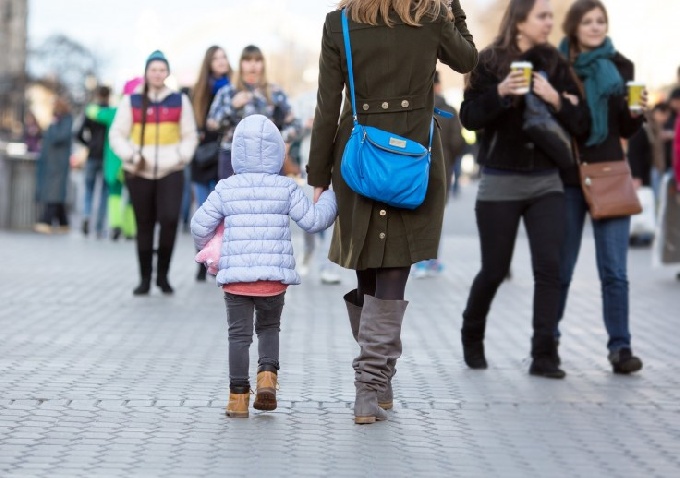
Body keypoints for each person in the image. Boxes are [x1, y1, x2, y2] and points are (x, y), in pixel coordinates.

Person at [307, 0, 478, 424]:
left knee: (368, 265)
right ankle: (372, 384)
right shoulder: (431, 16)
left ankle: (374, 382)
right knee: (393, 269)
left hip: (358, 156)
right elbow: (467, 58)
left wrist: (318, 174)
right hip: (412, 157)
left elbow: (327, 105)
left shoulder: (339, 23)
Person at [459, 0, 590, 379]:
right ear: (520, 20)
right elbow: (469, 117)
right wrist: (501, 92)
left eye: (551, 16)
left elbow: (581, 123)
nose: (551, 22)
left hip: (547, 180)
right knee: (495, 270)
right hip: (500, 179)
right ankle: (472, 330)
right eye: (543, 16)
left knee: (549, 268)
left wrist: (553, 99)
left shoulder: (554, 62)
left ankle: (544, 355)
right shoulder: (489, 61)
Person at [191, 114, 337, 418]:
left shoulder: (226, 188)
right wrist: (331, 197)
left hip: (236, 280)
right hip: (273, 277)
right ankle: (267, 377)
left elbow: (198, 225)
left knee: (238, 336)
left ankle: (238, 399)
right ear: (276, 150)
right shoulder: (286, 188)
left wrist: (207, 248)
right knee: (269, 328)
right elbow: (313, 222)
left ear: (236, 152)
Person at [557, 0, 646, 374]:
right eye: (588, 21)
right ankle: (547, 344)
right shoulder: (557, 66)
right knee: (560, 269)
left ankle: (621, 348)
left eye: (601, 21)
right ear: (574, 26)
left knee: (615, 270)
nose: (595, 27)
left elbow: (624, 128)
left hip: (609, 171)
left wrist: (636, 114)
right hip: (568, 176)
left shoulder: (622, 66)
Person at [110, 50, 198, 296]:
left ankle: (163, 275)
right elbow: (116, 134)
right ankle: (144, 278)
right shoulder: (132, 101)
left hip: (172, 170)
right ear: (146, 73)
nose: (157, 74)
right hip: (139, 171)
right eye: (153, 70)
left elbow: (190, 135)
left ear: (167, 73)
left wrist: (182, 156)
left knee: (170, 220)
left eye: (162, 70)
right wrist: (131, 155)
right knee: (144, 225)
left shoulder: (179, 101)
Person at [206, 45, 298, 180]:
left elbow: (294, 123)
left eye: (257, 60)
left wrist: (282, 140)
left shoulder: (275, 92)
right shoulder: (228, 92)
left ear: (263, 64)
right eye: (248, 60)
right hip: (232, 156)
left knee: (272, 200)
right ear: (241, 63)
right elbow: (211, 123)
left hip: (268, 157)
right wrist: (232, 106)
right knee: (233, 200)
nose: (253, 65)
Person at [412, 70, 466, 278]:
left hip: (416, 172)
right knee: (436, 216)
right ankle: (433, 259)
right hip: (443, 171)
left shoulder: (415, 109)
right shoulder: (450, 111)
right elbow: (457, 143)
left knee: (416, 214)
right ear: (439, 86)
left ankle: (418, 262)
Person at [191, 45, 231, 281]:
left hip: (223, 158)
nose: (221, 61)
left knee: (222, 214)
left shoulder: (234, 89)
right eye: (216, 58)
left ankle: (220, 259)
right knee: (203, 213)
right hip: (202, 158)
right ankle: (201, 259)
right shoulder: (198, 91)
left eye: (224, 57)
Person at [85, 78, 140, 242]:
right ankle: (130, 229)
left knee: (114, 195)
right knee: (132, 197)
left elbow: (91, 111)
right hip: (133, 161)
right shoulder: (140, 113)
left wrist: (94, 105)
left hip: (114, 162)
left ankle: (115, 225)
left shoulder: (115, 112)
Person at [34, 96, 74, 234]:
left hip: (58, 164)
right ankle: (63, 222)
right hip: (51, 163)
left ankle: (46, 220)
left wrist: (52, 124)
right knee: (55, 193)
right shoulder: (58, 121)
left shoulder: (65, 120)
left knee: (54, 192)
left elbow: (58, 137)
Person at [76, 85, 110, 238]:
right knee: (104, 193)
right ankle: (99, 228)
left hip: (92, 155)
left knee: (88, 190)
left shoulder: (91, 112)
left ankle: (86, 216)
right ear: (108, 96)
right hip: (107, 157)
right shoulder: (111, 113)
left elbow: (77, 133)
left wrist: (88, 144)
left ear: (97, 95)